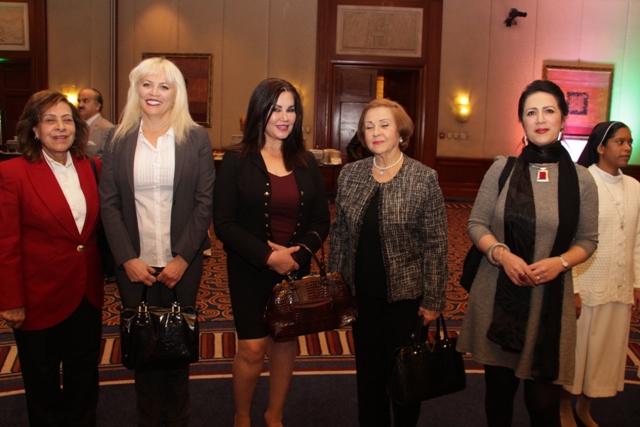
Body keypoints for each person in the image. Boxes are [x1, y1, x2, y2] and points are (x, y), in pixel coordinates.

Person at [456, 79, 599, 427]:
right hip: (499, 296)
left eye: (548, 110)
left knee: (543, 406)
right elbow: (477, 224)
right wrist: (501, 255)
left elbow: (588, 240)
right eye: (531, 112)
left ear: (563, 118)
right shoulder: (502, 169)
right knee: (499, 394)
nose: (540, 119)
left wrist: (561, 262)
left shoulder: (581, 180)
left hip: (549, 302)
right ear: (521, 121)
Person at [99, 57, 215, 426]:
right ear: (136, 90)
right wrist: (127, 259)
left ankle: (179, 418)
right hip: (135, 265)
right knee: (143, 348)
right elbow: (109, 204)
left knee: (178, 347)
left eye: (164, 86)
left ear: (176, 94)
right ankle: (148, 419)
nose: (154, 92)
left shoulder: (195, 138)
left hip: (183, 263)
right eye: (147, 84)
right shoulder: (117, 139)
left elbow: (204, 203)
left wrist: (182, 258)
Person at [213, 78, 330, 427]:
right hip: (249, 269)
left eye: (290, 109)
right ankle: (242, 416)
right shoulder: (235, 161)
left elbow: (322, 220)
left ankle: (274, 414)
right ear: (259, 112)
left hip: (294, 269)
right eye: (275, 108)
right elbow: (224, 224)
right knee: (252, 348)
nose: (284, 117)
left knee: (284, 344)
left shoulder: (307, 162)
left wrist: (298, 255)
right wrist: (268, 257)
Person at [328, 98, 448, 426]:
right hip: (362, 298)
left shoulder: (424, 178)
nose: (376, 132)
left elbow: (436, 244)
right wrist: (337, 289)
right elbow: (340, 235)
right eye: (369, 127)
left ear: (400, 133)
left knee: (406, 377)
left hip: (406, 302)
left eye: (384, 125)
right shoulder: (350, 175)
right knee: (369, 377)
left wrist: (434, 299)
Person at [0, 90, 104, 426]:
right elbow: (6, 242)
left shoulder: (92, 167)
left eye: (66, 120)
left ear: (77, 126)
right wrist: (11, 300)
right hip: (37, 298)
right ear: (34, 129)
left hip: (86, 294)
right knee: (41, 383)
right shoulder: (12, 173)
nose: (60, 127)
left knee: (84, 376)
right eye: (49, 120)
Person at [559, 121, 640, 427]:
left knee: (605, 354)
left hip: (618, 286)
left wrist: (636, 283)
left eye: (630, 142)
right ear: (601, 147)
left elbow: (638, 240)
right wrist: (573, 287)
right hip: (587, 283)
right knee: (577, 353)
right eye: (620, 142)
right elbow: (569, 239)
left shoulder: (635, 187)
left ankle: (585, 407)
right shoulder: (583, 181)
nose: (627, 148)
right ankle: (564, 408)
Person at [77, 87, 114, 158]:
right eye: (79, 101)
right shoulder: (76, 126)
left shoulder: (108, 129)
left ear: (97, 106)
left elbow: (109, 159)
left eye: (85, 101)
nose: (80, 105)